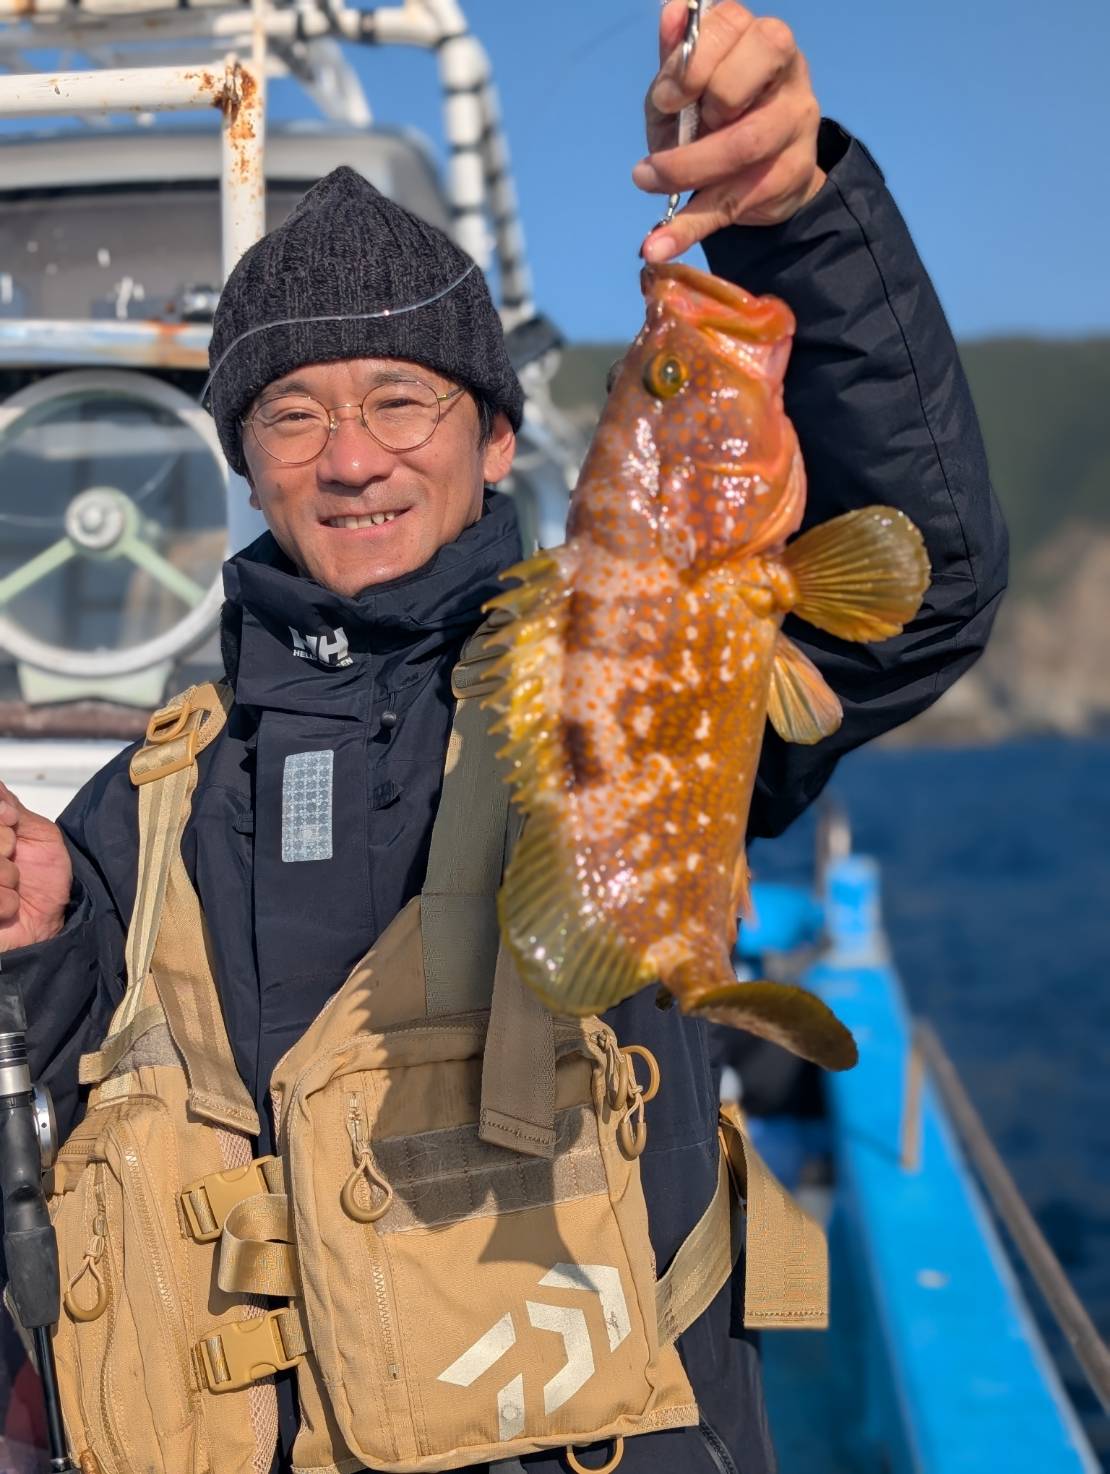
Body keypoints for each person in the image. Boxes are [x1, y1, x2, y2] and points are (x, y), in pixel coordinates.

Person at [0, 4, 1007, 1471]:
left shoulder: (620, 665)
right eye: (293, 415)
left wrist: (794, 218)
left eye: (401, 400)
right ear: (248, 468)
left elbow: (925, 590)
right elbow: (54, 1117)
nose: (352, 458)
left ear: (493, 439)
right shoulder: (139, 802)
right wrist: (32, 946)